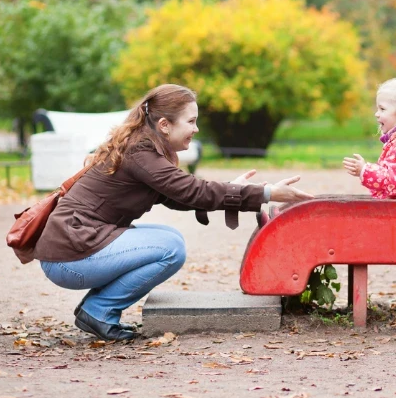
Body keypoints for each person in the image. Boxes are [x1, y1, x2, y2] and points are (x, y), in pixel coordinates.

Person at [33, 84, 313, 341]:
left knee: (166, 237)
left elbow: (181, 195)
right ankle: (98, 311)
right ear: (164, 125)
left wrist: (234, 191)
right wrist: (266, 194)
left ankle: (98, 310)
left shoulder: (145, 149)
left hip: (72, 250)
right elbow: (193, 191)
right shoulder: (141, 152)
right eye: (191, 121)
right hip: (69, 258)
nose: (197, 129)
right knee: (170, 247)